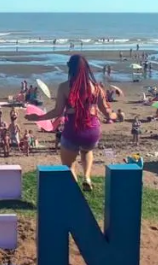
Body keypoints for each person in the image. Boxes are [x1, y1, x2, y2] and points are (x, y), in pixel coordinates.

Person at [26, 54, 113, 191]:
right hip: (92, 131)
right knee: (86, 151)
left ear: (70, 68)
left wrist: (36, 118)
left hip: (73, 130)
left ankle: (76, 191)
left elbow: (57, 112)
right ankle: (87, 177)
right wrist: (115, 116)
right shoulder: (96, 88)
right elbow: (107, 112)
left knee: (69, 165)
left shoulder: (64, 87)